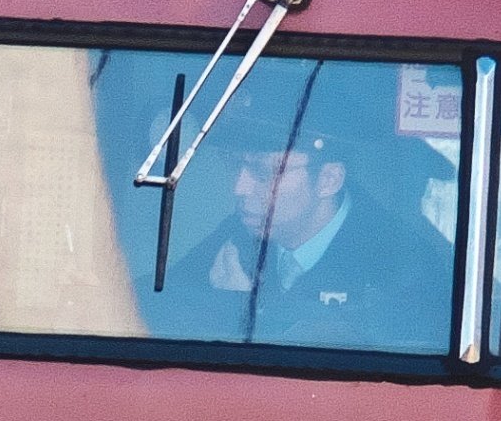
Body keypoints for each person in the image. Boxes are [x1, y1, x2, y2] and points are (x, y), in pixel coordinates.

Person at [195, 124, 456, 352]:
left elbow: (363, 362)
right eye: (236, 165)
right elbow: (165, 307)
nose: (239, 188)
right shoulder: (243, 231)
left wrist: (242, 305)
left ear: (329, 180)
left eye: (264, 173)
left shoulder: (405, 263)